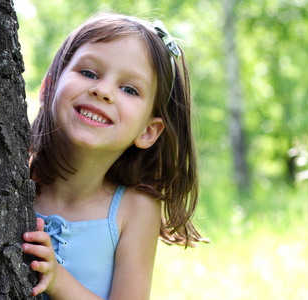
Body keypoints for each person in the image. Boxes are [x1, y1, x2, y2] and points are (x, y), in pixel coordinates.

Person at [22, 12, 208, 299]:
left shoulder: (135, 208)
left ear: (148, 130)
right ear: (49, 88)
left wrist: (58, 280)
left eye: (129, 89)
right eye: (88, 73)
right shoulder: (14, 178)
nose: (103, 91)